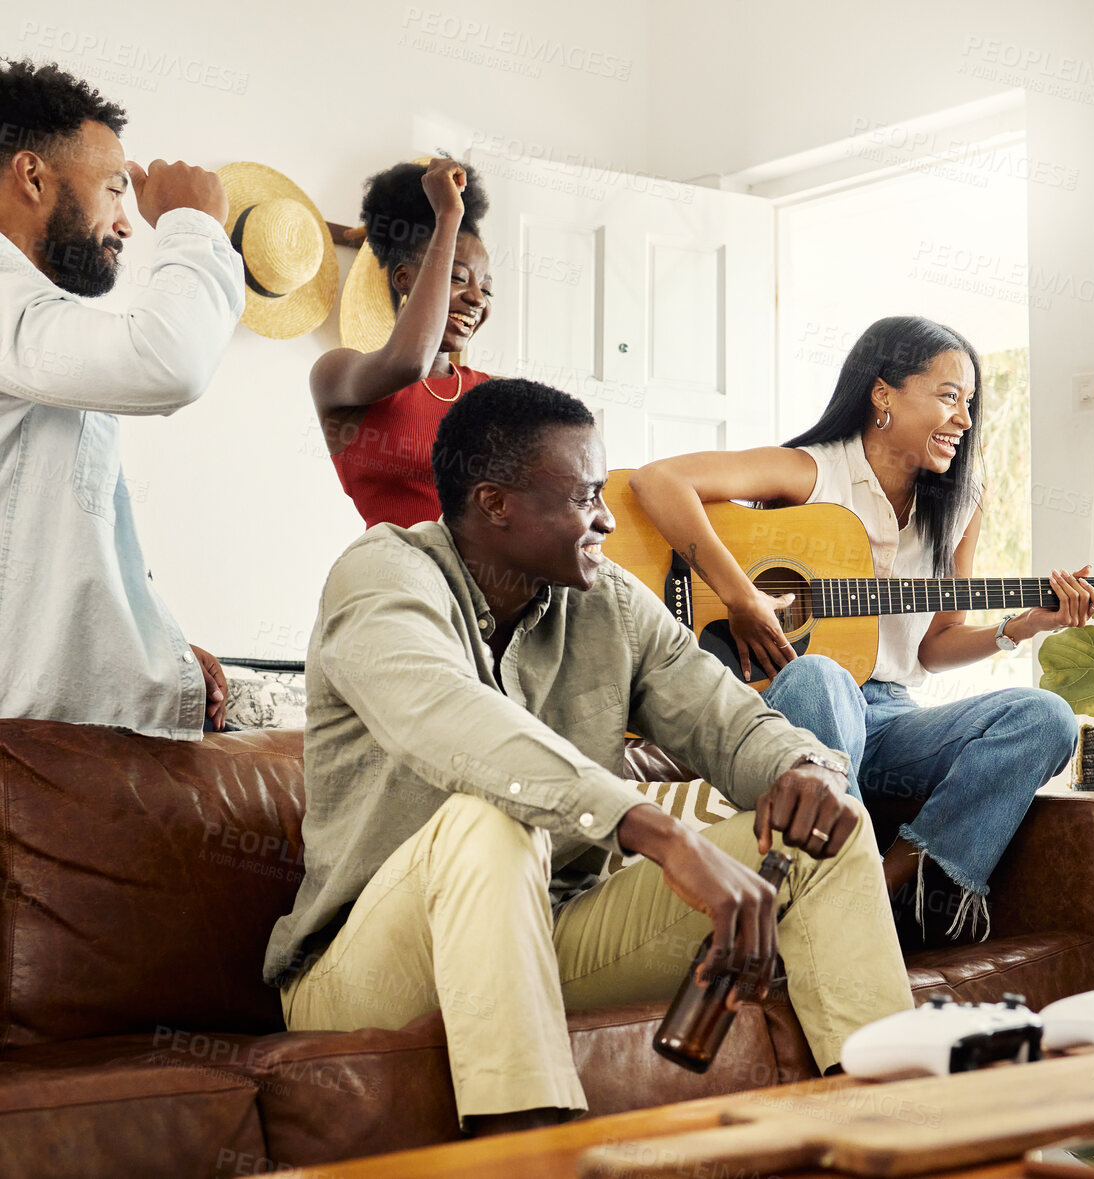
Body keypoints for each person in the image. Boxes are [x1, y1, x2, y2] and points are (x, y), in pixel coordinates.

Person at [265, 378, 911, 1135]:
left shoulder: (607, 600)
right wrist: (654, 830)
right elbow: (447, 716)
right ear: (494, 502)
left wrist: (806, 770)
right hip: (369, 969)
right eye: (585, 495)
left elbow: (725, 715)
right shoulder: (381, 574)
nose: (607, 516)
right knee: (489, 820)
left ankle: (897, 1135)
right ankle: (531, 1155)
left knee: (826, 831)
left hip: (549, 938)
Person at [629, 316, 1094, 944]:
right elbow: (658, 481)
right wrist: (741, 596)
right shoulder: (813, 472)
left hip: (890, 718)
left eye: (970, 403)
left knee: (1046, 717)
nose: (964, 418)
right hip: (791, 708)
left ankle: (888, 887)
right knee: (821, 675)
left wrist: (1021, 627)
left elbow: (933, 647)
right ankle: (839, 897)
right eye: (949, 395)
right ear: (883, 394)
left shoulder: (960, 504)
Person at [0, 59, 238, 735]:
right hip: (24, 754)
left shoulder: (31, 324)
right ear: (32, 175)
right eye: (113, 188)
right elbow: (170, 364)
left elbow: (44, 531)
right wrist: (192, 223)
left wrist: (145, 642)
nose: (127, 224)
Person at [312, 157, 494, 528]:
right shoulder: (336, 375)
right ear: (404, 278)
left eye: (488, 288)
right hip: (395, 577)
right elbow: (409, 363)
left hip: (479, 586)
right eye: (459, 277)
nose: (478, 298)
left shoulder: (491, 394)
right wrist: (447, 216)